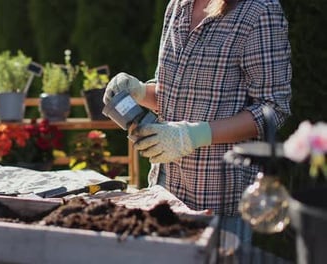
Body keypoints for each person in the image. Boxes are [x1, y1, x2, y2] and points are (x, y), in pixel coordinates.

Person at [104, 0, 291, 242]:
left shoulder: (258, 11)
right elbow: (175, 95)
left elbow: (273, 110)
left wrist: (194, 135)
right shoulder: (177, 6)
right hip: (164, 192)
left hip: (220, 203)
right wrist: (140, 91)